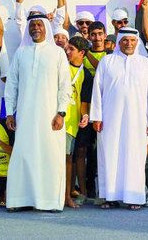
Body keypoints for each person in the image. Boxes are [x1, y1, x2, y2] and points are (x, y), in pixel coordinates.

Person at [4, 14, 72, 212]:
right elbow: (12, 86)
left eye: (39, 25)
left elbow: (64, 86)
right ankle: (19, 199)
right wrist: (9, 113)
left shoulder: (57, 53)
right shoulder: (21, 53)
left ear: (47, 28)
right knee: (24, 154)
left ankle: (50, 201)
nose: (36, 28)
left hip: (51, 117)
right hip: (25, 116)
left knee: (49, 156)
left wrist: (61, 113)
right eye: (32, 25)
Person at [91, 28, 148, 210]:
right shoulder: (107, 61)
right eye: (125, 40)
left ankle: (134, 197)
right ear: (119, 42)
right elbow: (97, 91)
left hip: (138, 121)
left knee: (134, 156)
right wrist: (96, 117)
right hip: (110, 119)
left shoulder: (145, 64)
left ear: (137, 42)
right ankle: (109, 197)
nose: (129, 43)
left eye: (132, 40)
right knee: (109, 155)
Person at [63, 36, 93, 208]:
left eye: (71, 49)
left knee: (68, 159)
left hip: (70, 124)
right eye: (67, 48)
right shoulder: (60, 67)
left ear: (82, 53)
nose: (67, 51)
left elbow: (83, 102)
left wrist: (85, 116)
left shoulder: (86, 74)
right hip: (53, 120)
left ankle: (67, 196)